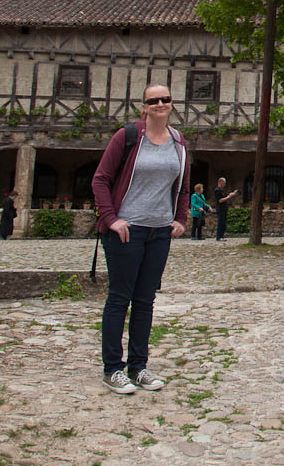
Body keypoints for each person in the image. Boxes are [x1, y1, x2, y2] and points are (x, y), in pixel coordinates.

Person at [91, 83, 190, 394]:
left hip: (160, 232)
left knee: (145, 301)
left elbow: (184, 185)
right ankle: (112, 369)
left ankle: (138, 367)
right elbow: (101, 179)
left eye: (165, 99)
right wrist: (111, 219)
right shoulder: (128, 137)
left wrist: (180, 220)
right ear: (144, 107)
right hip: (127, 230)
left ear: (171, 104)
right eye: (153, 100)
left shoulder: (178, 141)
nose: (160, 103)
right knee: (120, 299)